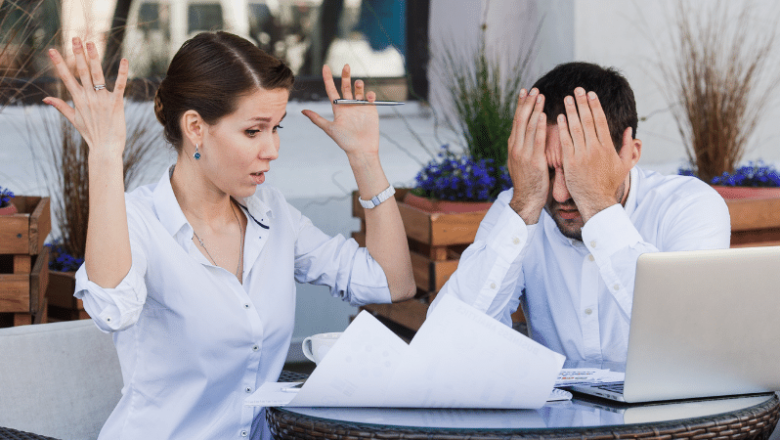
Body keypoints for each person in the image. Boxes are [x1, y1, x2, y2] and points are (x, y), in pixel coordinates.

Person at [43, 32, 415, 440]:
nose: (272, 148)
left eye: (276, 128)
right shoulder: (138, 220)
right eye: (254, 131)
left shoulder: (273, 215)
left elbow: (390, 283)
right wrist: (105, 154)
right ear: (196, 128)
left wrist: (365, 158)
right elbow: (113, 310)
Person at [428, 62, 731, 363]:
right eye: (546, 170)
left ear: (631, 154)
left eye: (578, 170)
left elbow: (689, 336)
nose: (559, 193)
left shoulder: (690, 207)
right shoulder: (521, 205)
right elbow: (446, 341)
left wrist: (598, 203)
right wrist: (523, 209)